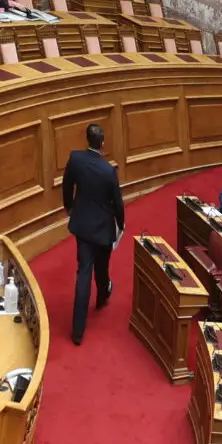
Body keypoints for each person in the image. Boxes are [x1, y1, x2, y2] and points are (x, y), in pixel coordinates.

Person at [62, 123, 124, 346]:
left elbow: (67, 185)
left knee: (84, 273)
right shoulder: (108, 170)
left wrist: (69, 207)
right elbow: (117, 202)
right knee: (102, 268)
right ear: (103, 143)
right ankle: (102, 296)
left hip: (82, 225)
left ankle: (77, 331)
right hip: (103, 228)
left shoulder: (76, 159)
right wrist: (121, 225)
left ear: (87, 140)